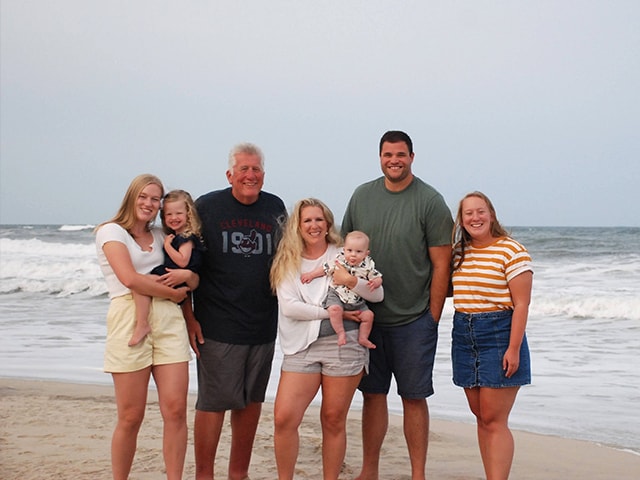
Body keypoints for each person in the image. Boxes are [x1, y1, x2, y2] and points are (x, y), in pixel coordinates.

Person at [341, 130, 454, 480]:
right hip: (368, 320)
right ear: (380, 157)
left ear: (412, 157)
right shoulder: (362, 196)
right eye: (388, 154)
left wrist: (432, 317)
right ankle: (369, 471)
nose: (395, 160)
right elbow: (344, 254)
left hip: (414, 320)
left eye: (401, 154)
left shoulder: (430, 201)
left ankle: (417, 473)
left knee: (413, 397)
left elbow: (442, 264)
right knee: (373, 396)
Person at [183, 143, 287, 480]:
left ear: (263, 175)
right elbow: (184, 264)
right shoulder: (208, 207)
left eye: (255, 169)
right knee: (213, 403)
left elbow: (290, 258)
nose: (250, 175)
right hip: (216, 325)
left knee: (250, 402)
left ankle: (238, 473)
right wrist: (189, 318)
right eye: (243, 169)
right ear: (230, 174)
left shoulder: (275, 207)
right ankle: (204, 474)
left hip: (262, 325)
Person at [269, 198, 384, 480]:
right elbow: (290, 307)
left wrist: (350, 281)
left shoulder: (344, 254)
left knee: (333, 419)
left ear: (328, 223)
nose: (314, 225)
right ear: (298, 225)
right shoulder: (288, 260)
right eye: (307, 220)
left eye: (319, 219)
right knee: (284, 418)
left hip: (343, 346)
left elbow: (376, 295)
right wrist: (337, 313)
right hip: (301, 347)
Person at [94, 174, 199, 480]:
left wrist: (189, 281)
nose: (149, 203)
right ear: (131, 197)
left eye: (155, 199)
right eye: (143, 196)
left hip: (169, 320)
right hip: (129, 317)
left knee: (176, 410)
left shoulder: (161, 235)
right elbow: (129, 278)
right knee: (130, 416)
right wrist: (173, 291)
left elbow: (189, 275)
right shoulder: (110, 231)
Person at [451, 191, 533, 480]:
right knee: (482, 417)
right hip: (463, 335)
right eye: (468, 213)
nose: (475, 217)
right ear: (461, 220)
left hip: (499, 335)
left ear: (492, 214)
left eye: (480, 211)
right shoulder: (459, 253)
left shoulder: (511, 250)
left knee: (495, 420)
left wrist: (513, 349)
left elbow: (522, 303)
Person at [129, 189, 204, 347]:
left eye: (178, 213)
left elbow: (183, 262)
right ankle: (143, 322)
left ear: (188, 214)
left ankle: (142, 324)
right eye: (169, 214)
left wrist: (167, 246)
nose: (174, 218)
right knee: (141, 284)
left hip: (177, 276)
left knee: (141, 283)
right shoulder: (176, 235)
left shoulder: (186, 237)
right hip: (175, 276)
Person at [300, 230, 382, 348]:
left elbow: (378, 276)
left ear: (366, 253)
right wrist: (311, 275)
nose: (353, 254)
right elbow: (324, 268)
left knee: (369, 316)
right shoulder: (339, 261)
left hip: (357, 300)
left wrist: (376, 282)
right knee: (334, 310)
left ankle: (363, 338)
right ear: (344, 249)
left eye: (358, 251)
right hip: (337, 294)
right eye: (349, 250)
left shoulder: (368, 265)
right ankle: (341, 333)